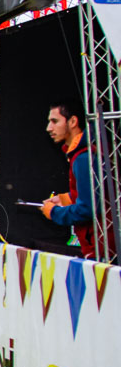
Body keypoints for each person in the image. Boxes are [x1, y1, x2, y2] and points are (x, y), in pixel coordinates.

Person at [42, 100, 115, 260]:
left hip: (102, 247)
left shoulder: (83, 156)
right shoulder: (84, 152)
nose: (49, 128)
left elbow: (87, 209)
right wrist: (67, 198)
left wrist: (54, 212)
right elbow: (98, 194)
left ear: (73, 121)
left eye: (55, 121)